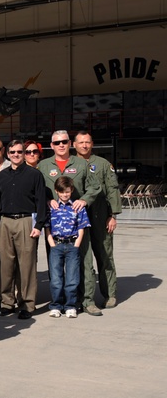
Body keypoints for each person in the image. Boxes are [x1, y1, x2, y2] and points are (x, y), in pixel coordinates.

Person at [37, 130, 102, 315]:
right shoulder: (43, 165)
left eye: (64, 141)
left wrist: (85, 200)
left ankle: (87, 300)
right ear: (52, 144)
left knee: (85, 262)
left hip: (77, 221)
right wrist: (47, 200)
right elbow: (38, 189)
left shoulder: (82, 163)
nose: (61, 145)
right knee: (56, 268)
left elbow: (94, 187)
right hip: (55, 225)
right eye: (57, 142)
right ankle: (59, 302)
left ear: (70, 143)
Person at [0, 139, 48, 319]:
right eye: (13, 152)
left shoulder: (34, 175)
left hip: (26, 221)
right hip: (5, 222)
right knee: (6, 265)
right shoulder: (1, 176)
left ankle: (27, 304)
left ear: (24, 154)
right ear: (7, 154)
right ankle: (7, 302)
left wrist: (39, 225)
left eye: (20, 152)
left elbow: (41, 201)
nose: (16, 155)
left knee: (27, 265)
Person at [73, 131, 121, 308]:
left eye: (87, 142)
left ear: (92, 144)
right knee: (81, 256)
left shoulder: (102, 164)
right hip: (79, 216)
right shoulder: (72, 164)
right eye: (81, 142)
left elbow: (112, 189)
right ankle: (83, 295)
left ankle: (110, 294)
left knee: (104, 254)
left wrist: (113, 215)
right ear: (74, 144)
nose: (84, 145)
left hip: (101, 214)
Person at [46, 177, 91, 319]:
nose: (65, 194)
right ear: (56, 191)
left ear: (71, 190)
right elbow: (47, 228)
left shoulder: (77, 207)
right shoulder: (51, 207)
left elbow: (81, 228)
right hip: (56, 245)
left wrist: (76, 245)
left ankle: (71, 306)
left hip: (72, 245)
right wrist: (52, 244)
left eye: (67, 191)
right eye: (62, 192)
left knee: (72, 278)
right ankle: (56, 305)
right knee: (56, 279)